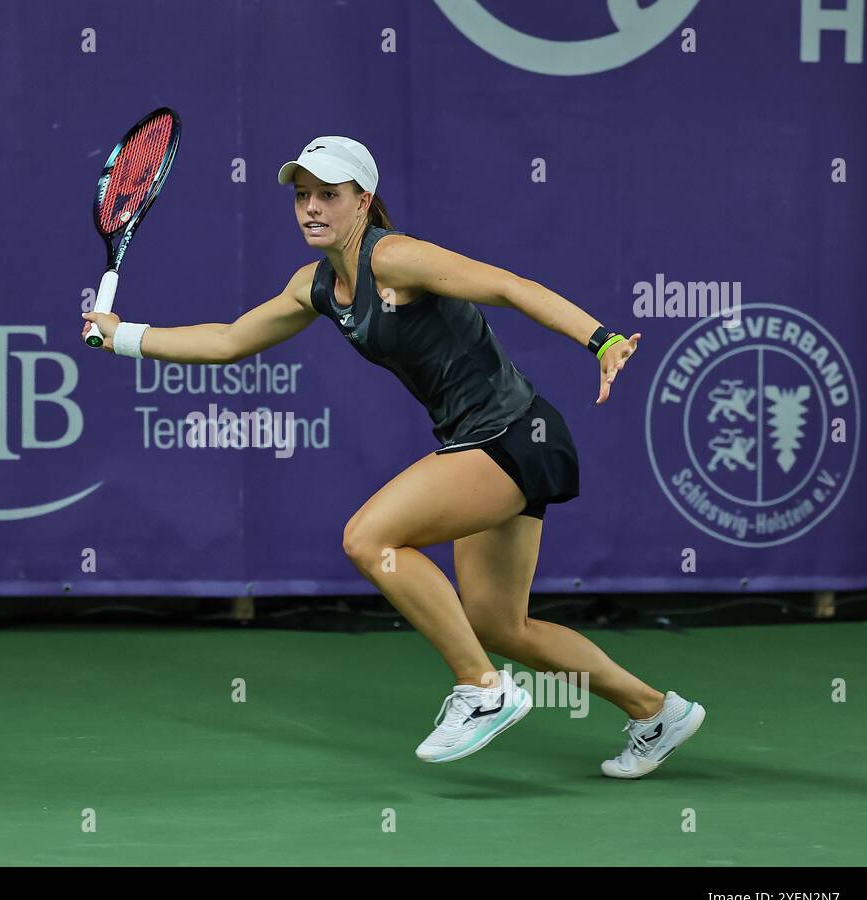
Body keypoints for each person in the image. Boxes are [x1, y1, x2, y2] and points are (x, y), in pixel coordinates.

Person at [82, 135, 705, 778]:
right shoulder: (315, 286)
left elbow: (509, 286)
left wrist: (598, 339)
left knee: (368, 538)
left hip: (513, 435)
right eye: (302, 196)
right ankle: (655, 712)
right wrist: (124, 335)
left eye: (329, 194)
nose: (312, 208)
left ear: (363, 202)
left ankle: (482, 690)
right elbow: (229, 340)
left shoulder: (397, 258)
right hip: (485, 441)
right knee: (502, 625)